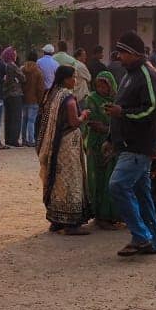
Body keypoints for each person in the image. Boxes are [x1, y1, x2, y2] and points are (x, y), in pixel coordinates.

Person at [106, 32, 156, 257]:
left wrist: (123, 113)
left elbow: (153, 109)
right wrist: (111, 138)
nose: (119, 57)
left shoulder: (148, 74)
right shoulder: (130, 74)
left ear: (133, 53)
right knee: (141, 192)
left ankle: (141, 236)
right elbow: (121, 106)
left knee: (117, 185)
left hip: (139, 144)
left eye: (122, 53)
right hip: (129, 143)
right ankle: (151, 241)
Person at [37, 65, 92, 235]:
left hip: (55, 145)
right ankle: (71, 223)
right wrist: (85, 115)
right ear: (66, 79)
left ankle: (56, 220)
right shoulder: (68, 98)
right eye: (73, 77)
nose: (75, 80)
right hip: (68, 144)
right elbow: (74, 122)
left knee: (57, 180)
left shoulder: (51, 94)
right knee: (71, 180)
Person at [82, 71, 121, 227]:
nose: (101, 89)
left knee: (110, 179)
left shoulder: (116, 101)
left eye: (104, 86)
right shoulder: (91, 100)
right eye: (98, 86)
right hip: (96, 145)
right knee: (97, 179)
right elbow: (91, 123)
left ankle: (112, 214)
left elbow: (120, 121)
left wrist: (107, 129)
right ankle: (100, 215)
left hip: (112, 144)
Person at [0, 47, 25, 148]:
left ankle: (8, 138)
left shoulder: (3, 65)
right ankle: (14, 140)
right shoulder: (12, 65)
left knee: (8, 118)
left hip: (6, 94)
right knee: (16, 118)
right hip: (15, 94)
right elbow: (22, 77)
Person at [21, 52, 44, 146]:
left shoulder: (22, 69)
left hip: (24, 98)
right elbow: (40, 89)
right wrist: (40, 101)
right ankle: (31, 140)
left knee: (24, 120)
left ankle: (24, 139)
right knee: (31, 120)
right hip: (34, 99)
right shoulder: (38, 71)